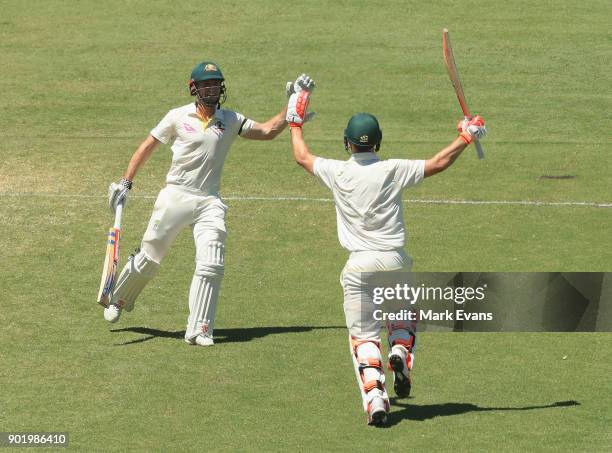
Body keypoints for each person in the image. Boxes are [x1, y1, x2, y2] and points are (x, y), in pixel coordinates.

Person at [286, 88, 486, 425]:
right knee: (404, 320)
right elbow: (438, 163)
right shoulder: (392, 169)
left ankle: (376, 400)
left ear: (347, 143)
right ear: (377, 143)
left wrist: (295, 120)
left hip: (358, 265)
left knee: (363, 337)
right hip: (394, 261)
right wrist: (466, 136)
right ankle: (399, 351)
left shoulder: (337, 172)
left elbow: (302, 156)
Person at [104, 61, 315, 347]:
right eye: (207, 84)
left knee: (211, 262)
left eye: (216, 83)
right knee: (150, 258)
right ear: (195, 88)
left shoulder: (230, 119)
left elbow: (266, 131)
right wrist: (126, 183)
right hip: (175, 196)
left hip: (209, 201)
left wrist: (293, 103)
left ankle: (200, 328)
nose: (213, 88)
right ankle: (120, 297)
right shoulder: (177, 117)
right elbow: (146, 147)